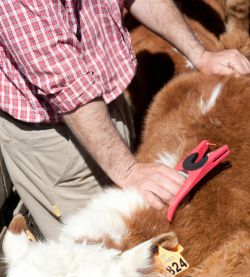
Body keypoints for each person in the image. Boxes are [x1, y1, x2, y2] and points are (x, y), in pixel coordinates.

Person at [1, 0, 250, 239]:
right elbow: (65, 82)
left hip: (106, 101)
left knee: (136, 228)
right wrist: (128, 170)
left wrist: (201, 54)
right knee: (100, 252)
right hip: (58, 134)